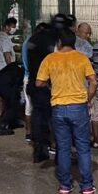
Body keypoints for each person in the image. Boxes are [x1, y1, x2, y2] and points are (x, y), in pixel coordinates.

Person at [36, 28, 97, 194]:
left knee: (63, 148)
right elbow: (93, 82)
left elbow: (39, 83)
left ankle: (65, 185)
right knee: (83, 147)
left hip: (58, 107)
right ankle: (86, 186)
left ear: (59, 42)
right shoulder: (82, 58)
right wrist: (88, 98)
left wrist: (51, 85)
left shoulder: (50, 59)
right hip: (79, 106)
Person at [27, 15, 67, 163]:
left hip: (34, 82)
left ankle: (39, 150)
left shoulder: (35, 39)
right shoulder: (53, 41)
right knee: (55, 119)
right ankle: (59, 153)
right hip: (48, 85)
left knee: (38, 116)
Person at [22, 22, 49, 144]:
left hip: (27, 77)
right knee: (40, 109)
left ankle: (29, 132)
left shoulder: (27, 42)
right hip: (37, 79)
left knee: (29, 107)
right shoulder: (38, 44)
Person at [0, 62, 26, 136]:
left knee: (10, 104)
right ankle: (1, 128)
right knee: (13, 107)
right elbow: (17, 85)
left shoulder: (14, 65)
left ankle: (12, 123)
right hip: (4, 85)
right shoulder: (21, 71)